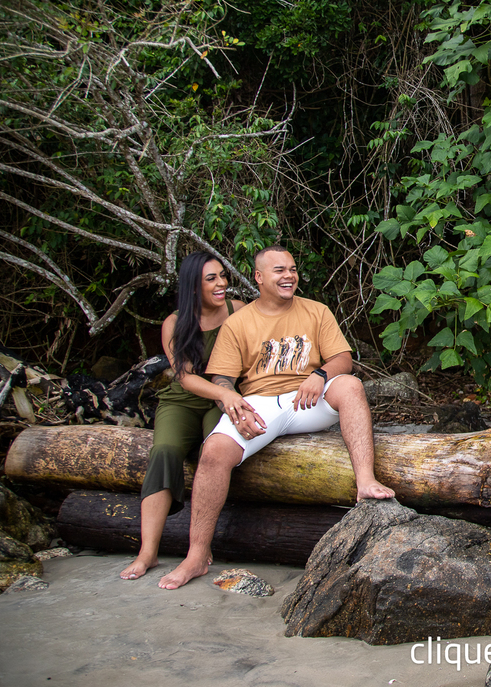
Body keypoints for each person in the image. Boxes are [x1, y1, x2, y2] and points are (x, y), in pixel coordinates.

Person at [158, 245, 394, 590]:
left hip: (308, 400)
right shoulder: (238, 322)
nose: (289, 276)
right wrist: (232, 405)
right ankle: (196, 555)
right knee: (213, 454)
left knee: (352, 386)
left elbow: (343, 359)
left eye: (293, 269)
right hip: (260, 403)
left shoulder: (316, 311)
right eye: (279, 270)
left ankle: (365, 481)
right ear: (259, 278)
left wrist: (321, 376)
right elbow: (222, 379)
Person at [120, 252, 250, 580]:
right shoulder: (175, 323)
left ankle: (200, 547)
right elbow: (185, 377)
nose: (221, 283)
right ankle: (147, 552)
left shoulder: (238, 310)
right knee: (164, 451)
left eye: (223, 276)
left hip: (223, 401)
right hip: (183, 401)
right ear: (193, 287)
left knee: (215, 449)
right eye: (211, 279)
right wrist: (223, 392)